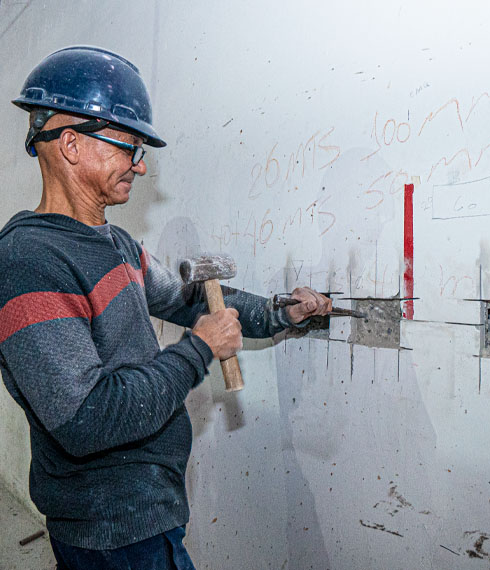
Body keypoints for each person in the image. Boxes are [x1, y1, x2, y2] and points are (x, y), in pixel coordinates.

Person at [0, 46, 332, 570]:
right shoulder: (28, 262)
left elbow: (192, 299)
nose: (142, 163)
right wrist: (199, 350)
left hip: (146, 507)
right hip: (110, 530)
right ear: (70, 144)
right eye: (128, 145)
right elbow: (87, 419)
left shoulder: (117, 246)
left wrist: (280, 312)